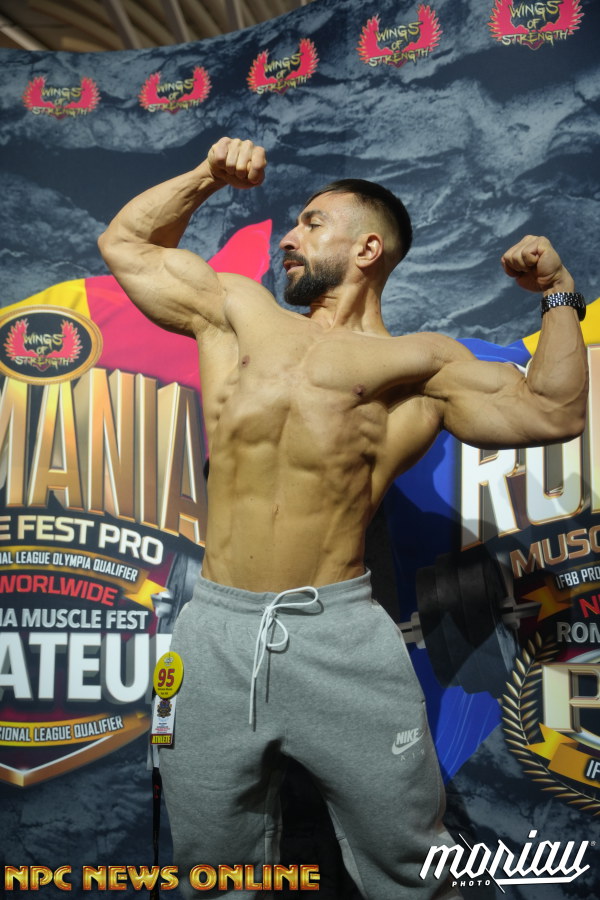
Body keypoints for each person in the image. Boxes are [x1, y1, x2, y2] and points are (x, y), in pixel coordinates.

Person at [98, 137, 588, 899]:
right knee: (212, 868)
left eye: (311, 222)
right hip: (216, 631)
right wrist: (204, 176)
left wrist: (557, 292)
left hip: (341, 634)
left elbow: (555, 410)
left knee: (409, 863)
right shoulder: (237, 313)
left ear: (367, 248)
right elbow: (127, 245)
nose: (288, 238)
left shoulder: (422, 366)